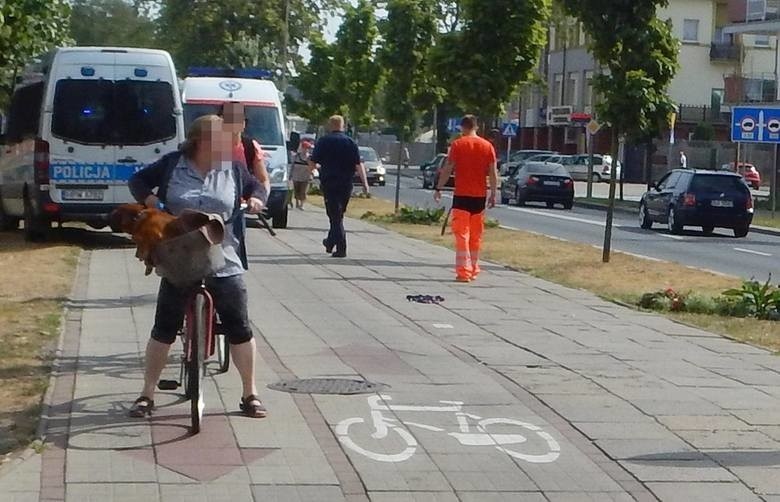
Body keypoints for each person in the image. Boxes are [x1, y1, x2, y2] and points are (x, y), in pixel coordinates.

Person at [127, 115, 269, 419]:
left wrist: (256, 200)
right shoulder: (172, 164)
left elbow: (258, 186)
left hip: (224, 255)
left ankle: (250, 393)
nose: (230, 145)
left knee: (239, 326)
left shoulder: (233, 168)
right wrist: (151, 199)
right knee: (164, 326)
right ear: (202, 141)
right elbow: (137, 181)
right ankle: (146, 394)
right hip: (180, 254)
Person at [434, 115, 498, 283]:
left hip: (462, 195)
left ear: (462, 127)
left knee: (462, 234)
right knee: (476, 235)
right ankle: (474, 268)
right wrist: (493, 193)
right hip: (479, 197)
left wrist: (439, 187)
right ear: (476, 127)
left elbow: (448, 168)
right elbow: (492, 172)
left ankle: (464, 271)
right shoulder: (487, 146)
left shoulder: (457, 145)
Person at [308, 115, 369, 258]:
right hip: (346, 183)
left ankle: (341, 248)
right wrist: (365, 183)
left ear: (330, 125)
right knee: (338, 214)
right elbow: (358, 164)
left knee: (335, 216)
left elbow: (313, 162)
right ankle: (330, 242)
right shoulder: (350, 142)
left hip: (330, 183)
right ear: (343, 125)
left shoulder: (323, 141)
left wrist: (312, 172)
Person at [222, 102, 272, 220]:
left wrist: (258, 199)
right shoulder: (210, 145)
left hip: (240, 207)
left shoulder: (250, 146)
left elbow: (263, 180)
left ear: (244, 123)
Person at [291, 140, 314, 210]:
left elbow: (312, 166)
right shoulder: (296, 156)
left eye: (308, 148)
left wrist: (311, 174)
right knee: (296, 190)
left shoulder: (310, 158)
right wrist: (290, 175)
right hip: (296, 176)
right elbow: (292, 165)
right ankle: (297, 202)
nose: (306, 149)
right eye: (305, 148)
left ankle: (302, 204)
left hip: (305, 177)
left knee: (303, 191)